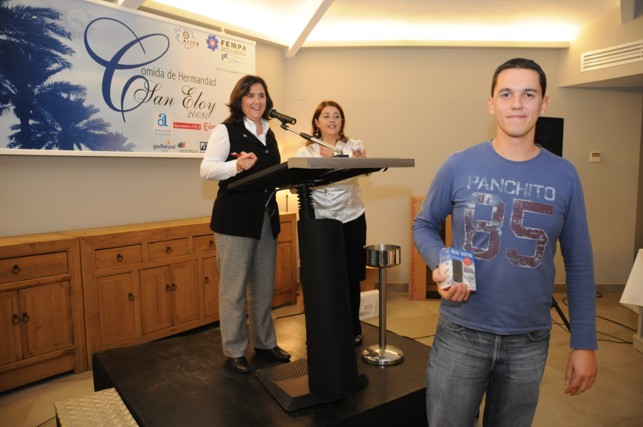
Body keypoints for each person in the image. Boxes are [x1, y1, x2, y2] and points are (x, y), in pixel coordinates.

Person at [412, 58, 597, 426]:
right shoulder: (458, 165)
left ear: (544, 103)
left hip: (528, 339)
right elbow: (424, 225)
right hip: (462, 332)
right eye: (506, 94)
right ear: (491, 103)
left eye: (528, 94)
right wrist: (442, 260)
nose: (517, 104)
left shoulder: (565, 175)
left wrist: (584, 342)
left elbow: (579, 263)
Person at [200, 75, 290, 374]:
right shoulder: (226, 130)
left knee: (263, 288)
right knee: (234, 290)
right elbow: (206, 169)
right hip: (235, 221)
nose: (257, 101)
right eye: (250, 95)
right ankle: (235, 351)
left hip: (266, 219)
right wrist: (236, 165)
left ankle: (265, 344)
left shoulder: (270, 132)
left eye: (261, 95)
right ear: (239, 99)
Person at [295, 100, 367, 345]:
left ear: (342, 121)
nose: (332, 120)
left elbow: (365, 169)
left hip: (351, 217)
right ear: (317, 122)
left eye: (337, 115)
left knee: (351, 275)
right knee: (322, 275)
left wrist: (357, 160)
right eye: (326, 116)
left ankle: (353, 328)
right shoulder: (305, 152)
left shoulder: (353, 146)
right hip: (320, 223)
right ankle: (322, 328)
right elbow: (296, 185)